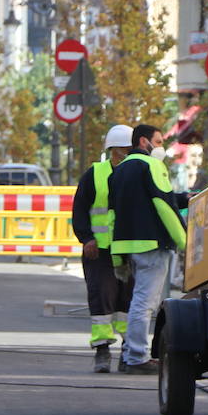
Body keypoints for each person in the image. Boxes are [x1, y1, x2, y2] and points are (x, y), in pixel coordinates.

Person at [109, 123, 187, 374]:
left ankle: (132, 354)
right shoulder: (152, 166)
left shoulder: (117, 172)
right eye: (159, 141)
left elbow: (113, 215)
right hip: (152, 244)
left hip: (127, 244)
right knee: (145, 302)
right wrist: (184, 241)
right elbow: (165, 206)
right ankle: (137, 357)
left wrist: (116, 255)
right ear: (144, 142)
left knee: (138, 300)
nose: (161, 147)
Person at [71, 124, 135, 373]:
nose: (128, 153)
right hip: (100, 251)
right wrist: (86, 239)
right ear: (114, 150)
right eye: (125, 149)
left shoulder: (138, 173)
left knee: (129, 300)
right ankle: (102, 350)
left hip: (130, 248)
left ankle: (130, 350)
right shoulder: (95, 174)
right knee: (102, 297)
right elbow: (79, 210)